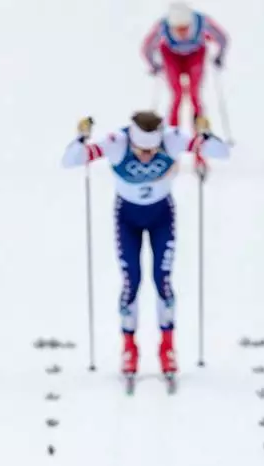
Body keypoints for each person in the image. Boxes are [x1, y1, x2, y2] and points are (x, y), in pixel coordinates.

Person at [61, 111, 230, 378]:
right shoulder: (117, 142)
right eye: (141, 150)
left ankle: (167, 348)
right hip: (127, 219)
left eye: (153, 151)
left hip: (161, 216)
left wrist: (205, 134)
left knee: (162, 280)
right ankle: (129, 348)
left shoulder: (172, 139)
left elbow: (222, 153)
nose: (147, 156)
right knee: (132, 282)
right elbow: (69, 161)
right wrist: (81, 139)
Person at [142, 3, 229, 129]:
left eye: (185, 28)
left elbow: (222, 38)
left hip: (195, 54)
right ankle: (173, 131)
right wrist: (153, 65)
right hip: (171, 55)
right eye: (178, 28)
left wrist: (219, 56)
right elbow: (147, 47)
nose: (182, 32)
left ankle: (200, 131)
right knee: (177, 94)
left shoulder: (201, 21)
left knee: (195, 95)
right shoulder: (163, 25)